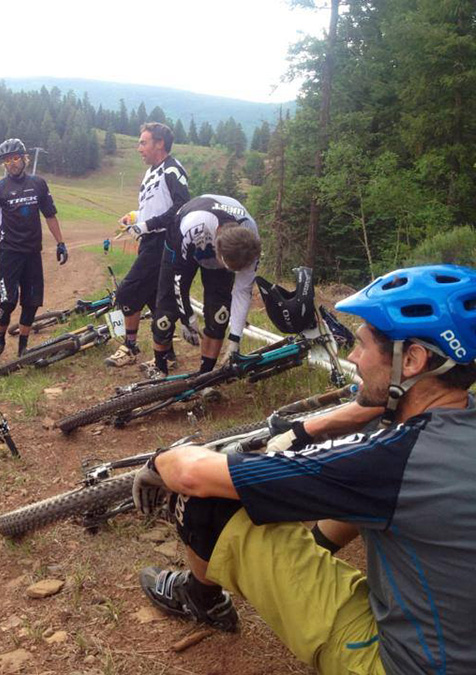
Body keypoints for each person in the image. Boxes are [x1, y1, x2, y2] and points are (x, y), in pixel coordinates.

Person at [131, 264, 476, 674]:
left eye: (363, 345)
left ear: (413, 359)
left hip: (405, 664)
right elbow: (372, 478)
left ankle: (198, 596)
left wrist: (160, 460)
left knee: (209, 503)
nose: (352, 357)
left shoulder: (393, 458)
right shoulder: (458, 421)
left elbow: (194, 476)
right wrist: (311, 428)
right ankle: (312, 551)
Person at [0, 138, 67, 363]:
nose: (11, 163)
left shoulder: (39, 184)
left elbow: (50, 215)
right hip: (9, 253)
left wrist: (60, 242)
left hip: (33, 253)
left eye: (15, 158)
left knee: (32, 301)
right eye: (7, 160)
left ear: (24, 158)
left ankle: (23, 348)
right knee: (7, 302)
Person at [105, 123, 190, 368]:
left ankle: (129, 346)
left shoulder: (173, 169)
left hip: (163, 242)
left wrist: (148, 225)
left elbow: (181, 207)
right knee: (155, 301)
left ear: (159, 143)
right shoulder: (153, 170)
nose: (138, 148)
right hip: (149, 241)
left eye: (143, 142)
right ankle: (168, 354)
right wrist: (134, 217)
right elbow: (154, 206)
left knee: (125, 293)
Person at [147, 195, 261, 377]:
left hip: (224, 244)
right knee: (166, 314)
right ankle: (159, 368)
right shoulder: (192, 225)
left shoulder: (251, 239)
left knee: (219, 315)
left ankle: (204, 376)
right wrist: (187, 319)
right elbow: (178, 280)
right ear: (218, 250)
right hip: (181, 240)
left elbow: (242, 290)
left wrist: (235, 339)